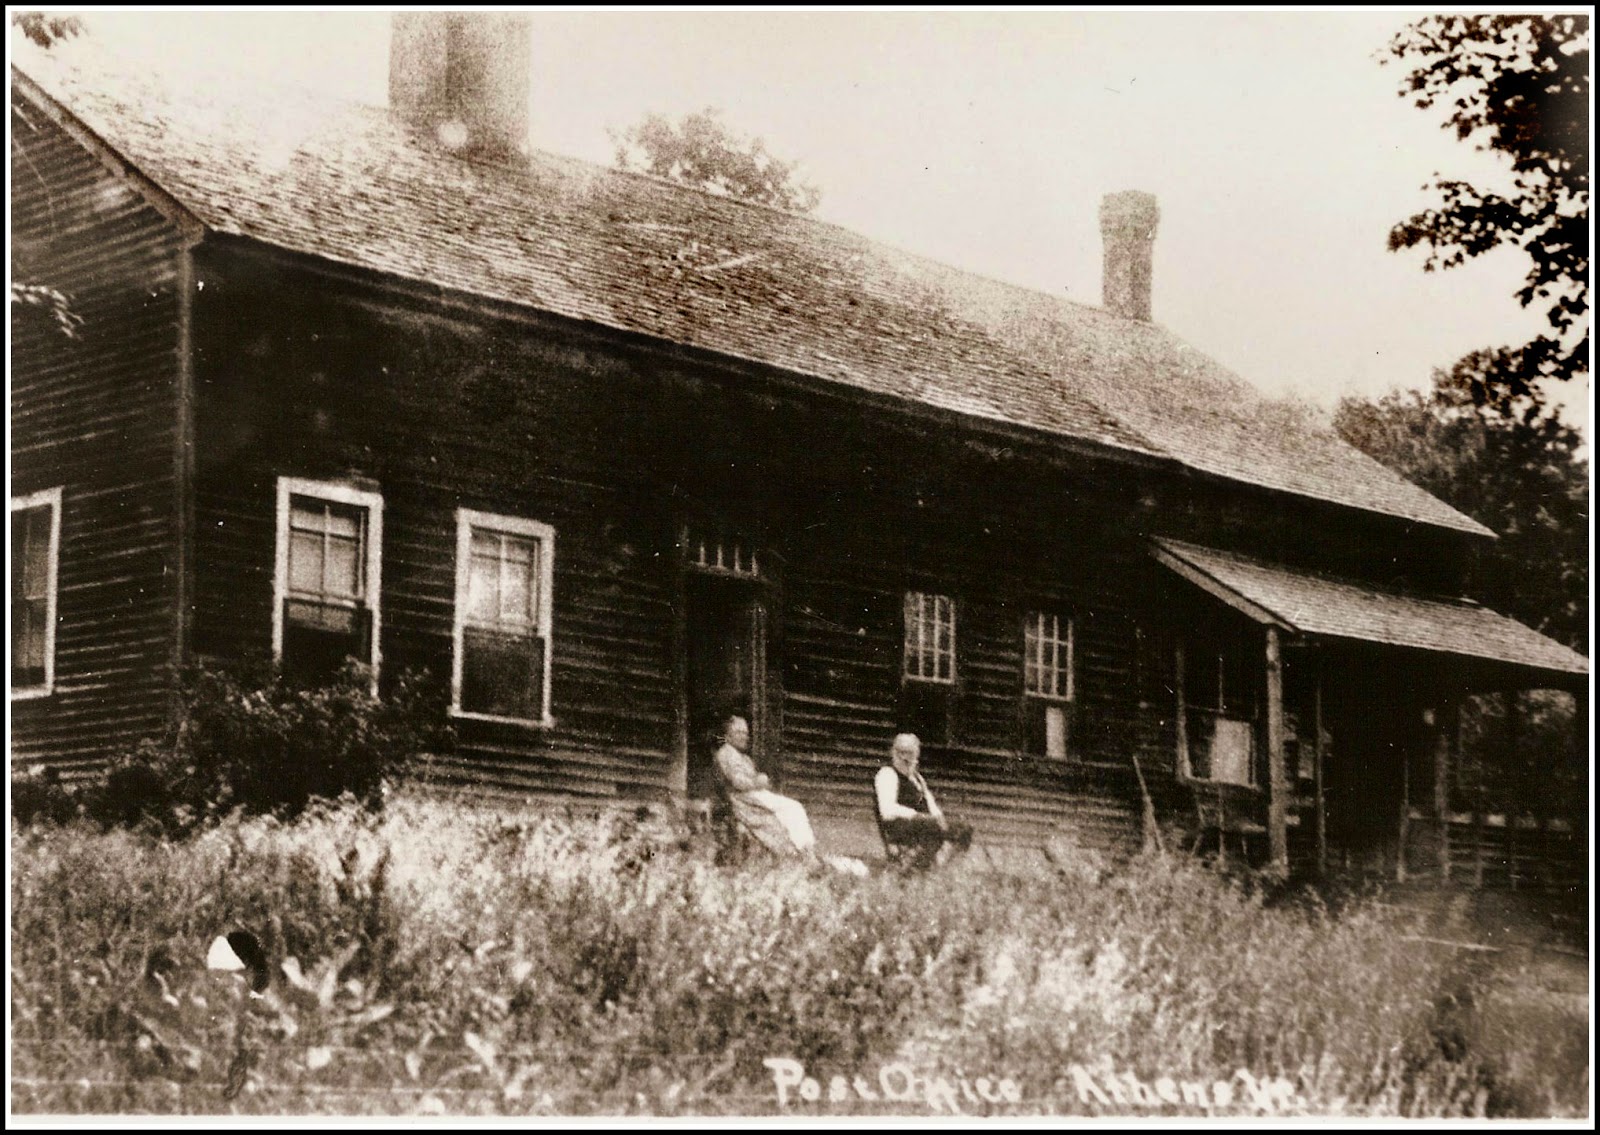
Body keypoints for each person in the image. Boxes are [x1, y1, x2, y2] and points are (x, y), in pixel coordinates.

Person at [713, 715, 819, 859]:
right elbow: (737, 782)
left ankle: (805, 850)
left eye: (745, 733)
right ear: (728, 735)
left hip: (753, 795)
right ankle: (805, 852)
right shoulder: (725, 754)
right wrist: (757, 782)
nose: (744, 737)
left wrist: (761, 782)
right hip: (742, 799)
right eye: (739, 732)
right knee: (792, 808)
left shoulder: (744, 757)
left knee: (792, 809)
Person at [875, 732, 973, 869]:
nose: (904, 757)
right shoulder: (887, 774)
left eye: (909, 753)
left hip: (922, 824)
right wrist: (917, 815)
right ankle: (915, 869)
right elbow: (887, 810)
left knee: (963, 828)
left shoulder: (917, 778)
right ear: (893, 752)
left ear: (916, 754)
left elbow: (930, 803)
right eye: (900, 752)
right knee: (931, 826)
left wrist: (939, 818)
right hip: (898, 826)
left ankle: (945, 867)